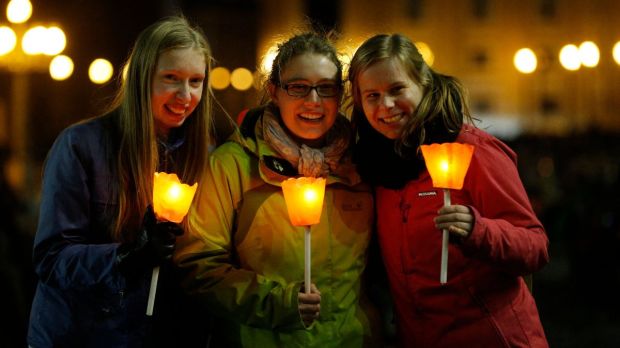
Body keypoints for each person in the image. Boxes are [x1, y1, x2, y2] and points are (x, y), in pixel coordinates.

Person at [175, 32, 380, 347]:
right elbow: (199, 265)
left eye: (325, 88)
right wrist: (278, 303)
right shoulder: (234, 164)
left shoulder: (362, 164)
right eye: (298, 87)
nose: (313, 101)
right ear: (274, 91)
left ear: (340, 95)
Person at [347, 33, 550, 347]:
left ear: (423, 84)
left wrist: (478, 230)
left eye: (397, 89)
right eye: (371, 95)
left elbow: (535, 246)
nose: (386, 105)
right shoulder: (375, 166)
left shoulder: (471, 151)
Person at [27, 16, 214, 348]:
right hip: (81, 335)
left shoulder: (203, 156)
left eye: (196, 81)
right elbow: (51, 258)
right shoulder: (81, 146)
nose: (185, 94)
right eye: (171, 78)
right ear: (142, 78)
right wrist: (127, 256)